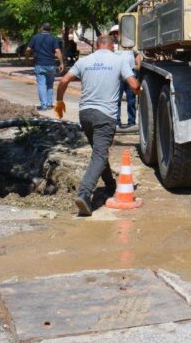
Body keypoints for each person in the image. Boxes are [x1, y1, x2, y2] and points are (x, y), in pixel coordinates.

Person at [54, 33, 140, 216]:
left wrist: (59, 102)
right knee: (100, 154)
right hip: (105, 116)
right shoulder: (118, 61)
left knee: (99, 152)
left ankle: (110, 185)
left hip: (85, 114)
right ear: (111, 45)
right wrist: (140, 90)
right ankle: (84, 194)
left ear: (96, 45)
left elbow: (63, 81)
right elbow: (133, 85)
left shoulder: (85, 61)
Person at [109, 24, 140, 129]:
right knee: (116, 100)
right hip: (116, 74)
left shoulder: (130, 43)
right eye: (114, 33)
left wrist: (138, 67)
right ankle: (116, 122)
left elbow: (137, 55)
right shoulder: (111, 45)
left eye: (118, 32)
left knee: (131, 100)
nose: (116, 35)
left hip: (130, 74)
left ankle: (131, 122)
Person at [26, 22, 63, 111]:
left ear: (42, 28)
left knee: (41, 85)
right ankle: (49, 104)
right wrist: (61, 62)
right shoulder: (53, 38)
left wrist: (27, 58)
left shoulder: (35, 37)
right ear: (50, 29)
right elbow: (57, 51)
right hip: (51, 65)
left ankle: (44, 105)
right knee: (50, 84)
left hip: (39, 64)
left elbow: (28, 49)